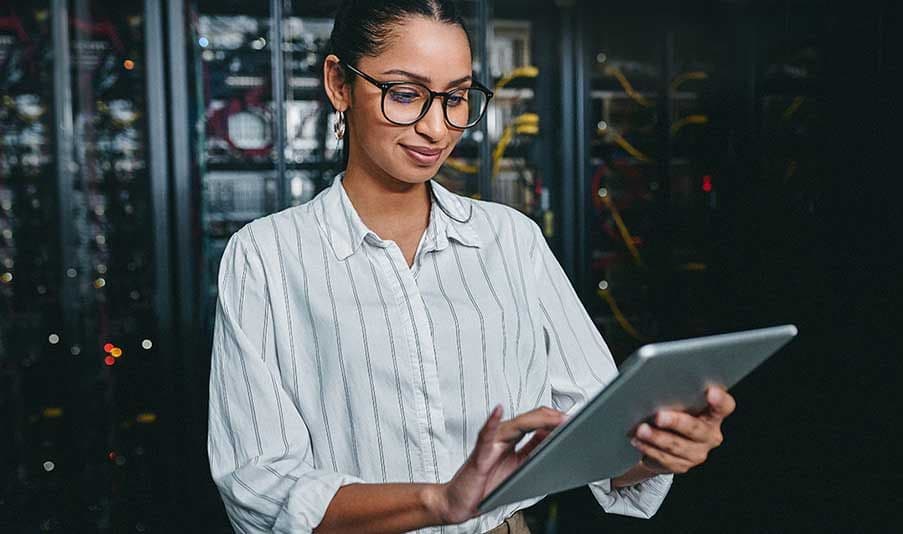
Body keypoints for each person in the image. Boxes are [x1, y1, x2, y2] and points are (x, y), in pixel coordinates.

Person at [207, 1, 736, 532]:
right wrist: (438, 501)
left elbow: (597, 441)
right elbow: (258, 485)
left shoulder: (512, 241)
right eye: (405, 94)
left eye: (456, 98)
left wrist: (659, 450)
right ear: (339, 84)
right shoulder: (265, 257)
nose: (437, 129)